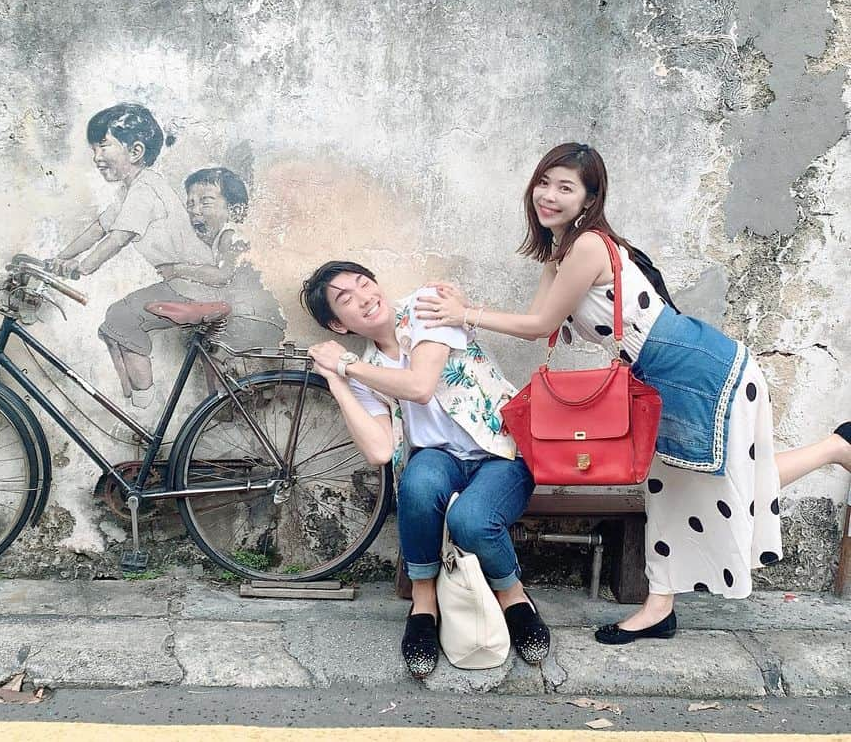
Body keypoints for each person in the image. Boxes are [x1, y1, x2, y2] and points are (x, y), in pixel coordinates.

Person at [414, 142, 851, 645]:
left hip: (700, 370)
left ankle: (835, 448)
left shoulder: (588, 246)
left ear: (589, 198)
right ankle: (659, 606)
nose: (549, 196)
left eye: (566, 187)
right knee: (670, 492)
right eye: (544, 182)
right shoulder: (561, 255)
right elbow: (538, 326)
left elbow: (539, 323)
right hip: (662, 374)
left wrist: (465, 315)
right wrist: (470, 308)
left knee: (722, 483)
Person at [301, 262, 551, 679]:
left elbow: (420, 385)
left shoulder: (424, 307)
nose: (363, 297)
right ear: (337, 324)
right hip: (440, 459)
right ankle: (424, 603)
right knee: (417, 481)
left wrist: (346, 366)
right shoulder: (364, 368)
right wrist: (339, 384)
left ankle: (513, 596)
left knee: (471, 520)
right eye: (346, 299)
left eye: (365, 283)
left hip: (501, 452)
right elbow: (380, 450)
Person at [49, 103, 215, 406]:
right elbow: (98, 229)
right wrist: (57, 258)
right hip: (179, 283)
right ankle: (135, 403)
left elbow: (118, 238)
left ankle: (145, 410)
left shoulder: (146, 190)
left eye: (103, 146)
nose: (97, 157)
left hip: (195, 284)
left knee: (122, 319)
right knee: (113, 325)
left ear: (135, 151)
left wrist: (82, 268)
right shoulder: (130, 191)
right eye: (93, 149)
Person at [157, 167, 285, 352]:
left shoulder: (231, 235)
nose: (195, 210)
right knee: (211, 357)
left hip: (249, 318)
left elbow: (222, 275)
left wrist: (177, 269)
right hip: (237, 316)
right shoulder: (215, 241)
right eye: (190, 204)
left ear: (235, 210)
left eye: (205, 202)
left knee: (218, 357)